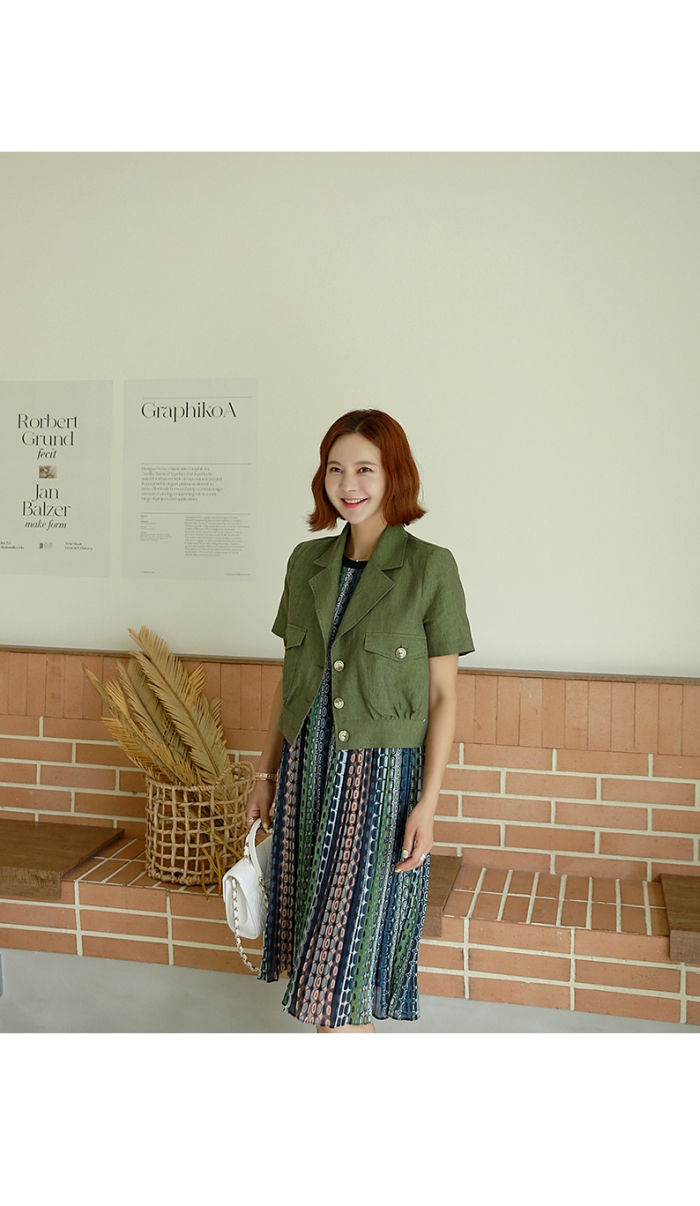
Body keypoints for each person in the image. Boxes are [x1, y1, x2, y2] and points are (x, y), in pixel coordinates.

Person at [246, 409, 473, 1032]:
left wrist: (428, 805)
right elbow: (291, 682)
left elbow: (444, 698)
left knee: (341, 978)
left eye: (365, 469)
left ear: (394, 474)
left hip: (378, 785)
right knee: (328, 979)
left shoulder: (430, 567)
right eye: (335, 468)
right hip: (307, 775)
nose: (348, 484)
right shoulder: (306, 563)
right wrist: (265, 775)